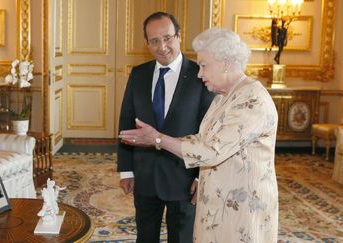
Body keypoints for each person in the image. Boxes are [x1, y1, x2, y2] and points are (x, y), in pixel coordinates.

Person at [119, 28, 279, 243]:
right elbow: (201, 140)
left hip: (241, 208)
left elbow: (211, 151)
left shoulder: (252, 99)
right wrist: (157, 139)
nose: (199, 73)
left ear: (226, 63)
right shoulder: (223, 97)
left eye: (204, 66)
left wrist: (157, 139)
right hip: (219, 203)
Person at [117, 12, 215, 243]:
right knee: (145, 236)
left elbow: (207, 130)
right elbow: (126, 121)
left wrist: (202, 177)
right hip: (145, 175)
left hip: (184, 177)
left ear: (179, 36)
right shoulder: (139, 74)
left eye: (168, 38)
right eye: (154, 41)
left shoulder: (200, 75)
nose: (162, 46)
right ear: (147, 43)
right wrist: (126, 170)